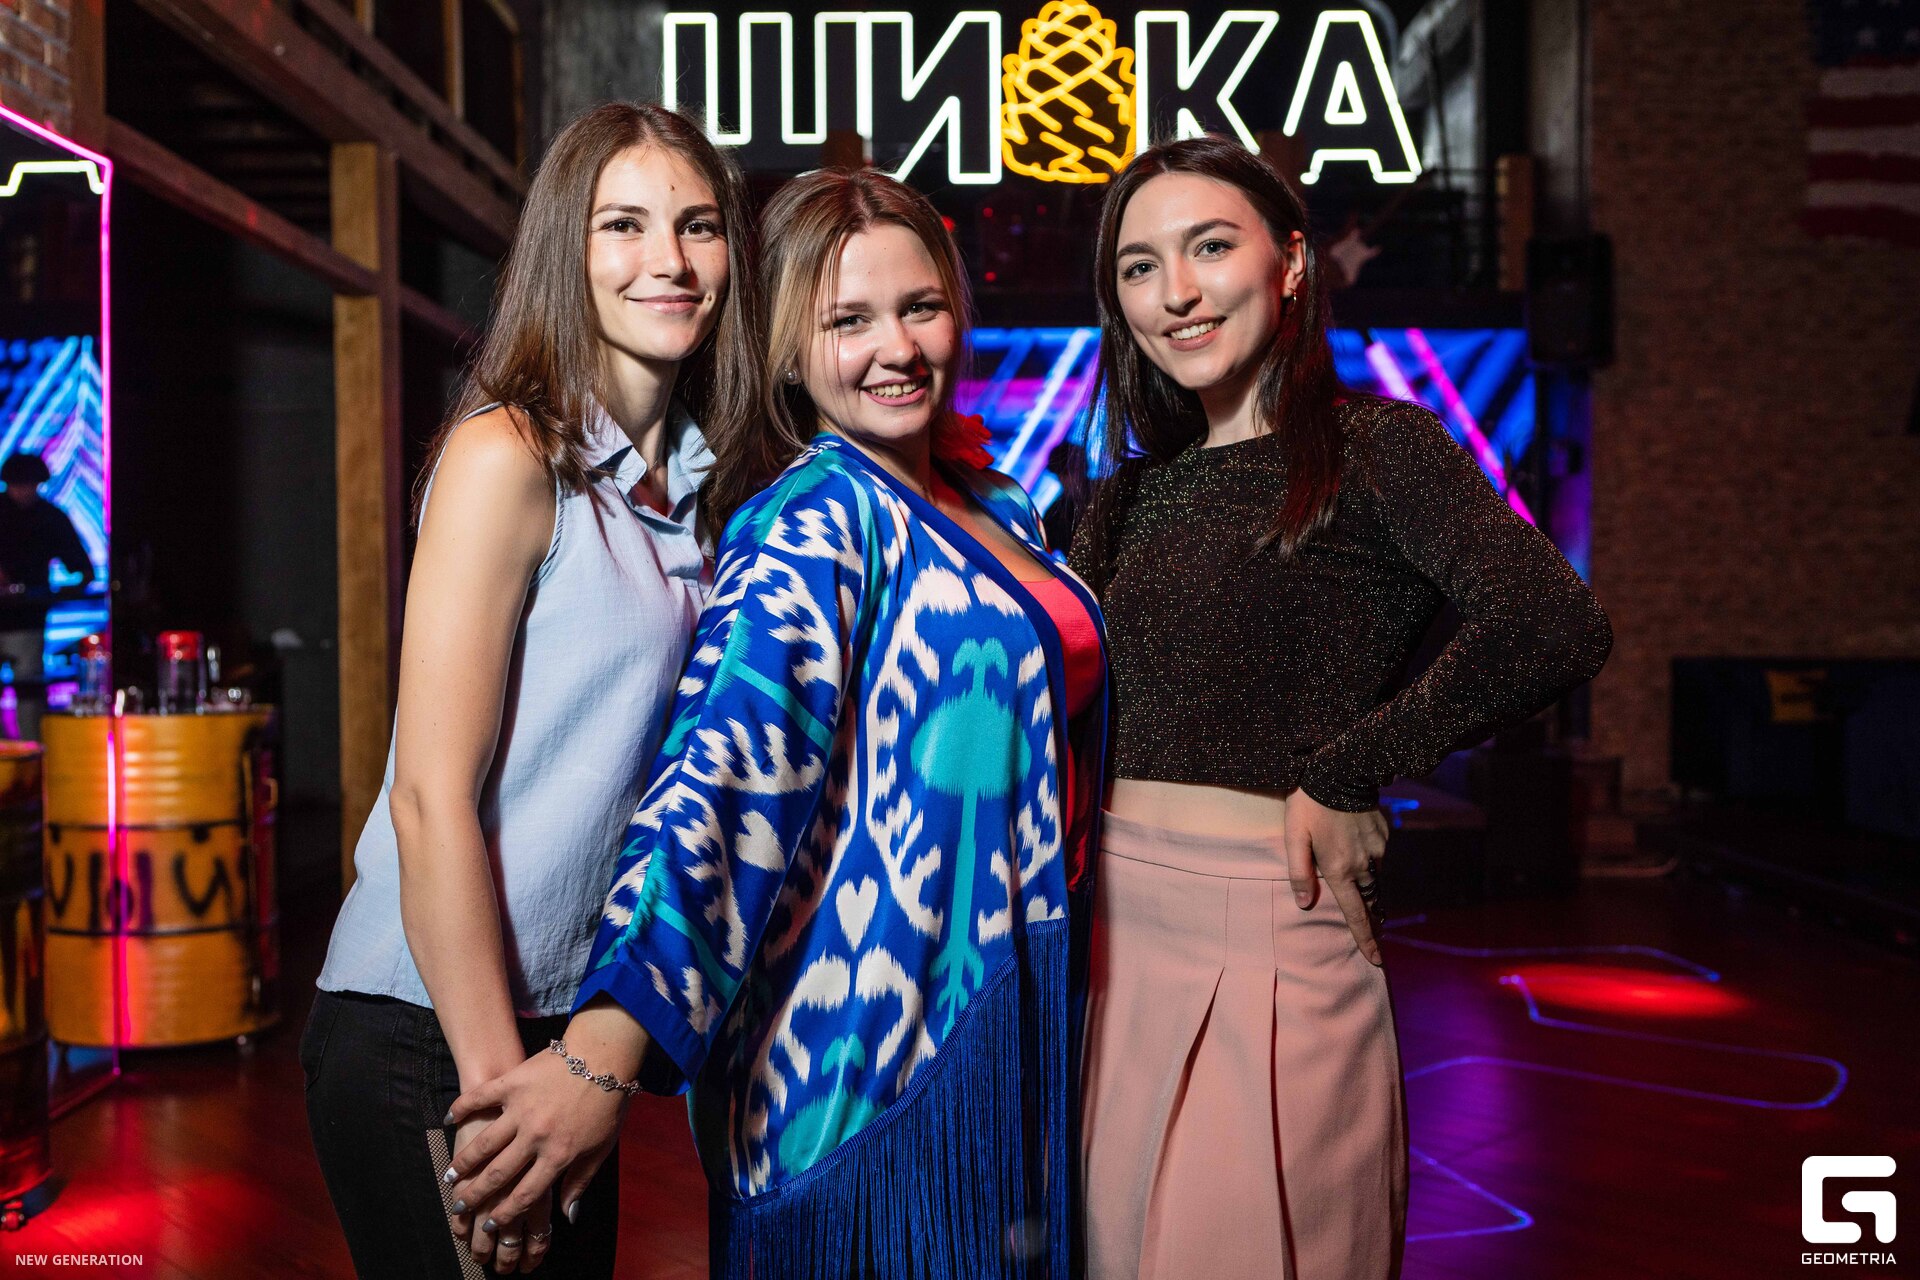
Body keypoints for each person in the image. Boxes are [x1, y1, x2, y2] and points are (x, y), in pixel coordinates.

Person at [439, 168, 1107, 1279]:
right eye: (848, 321)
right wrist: (602, 1054)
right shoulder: (811, 519)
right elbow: (722, 780)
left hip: (1006, 1005)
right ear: (791, 351)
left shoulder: (1000, 504)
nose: (896, 347)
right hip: (865, 1058)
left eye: (920, 307)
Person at [1068, 136, 1612, 1279]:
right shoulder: (1123, 496)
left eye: (1210, 247)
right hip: (1108, 934)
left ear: (1291, 261)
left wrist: (1348, 768)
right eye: (1139, 266)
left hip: (1271, 921)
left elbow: (1551, 621)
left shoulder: (1376, 449)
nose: (1176, 291)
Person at [302, 102, 761, 1279]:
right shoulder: (509, 453)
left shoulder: (700, 494)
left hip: (559, 1036)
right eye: (624, 224)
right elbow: (427, 799)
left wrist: (577, 1068)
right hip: (433, 1025)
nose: (668, 259)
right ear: (569, 246)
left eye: (698, 225)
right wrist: (497, 1083)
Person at [0, 451, 94, 740]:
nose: (23, 491)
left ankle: (31, 753)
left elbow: (82, 569)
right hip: (24, 615)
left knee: (29, 688)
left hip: (27, 618)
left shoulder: (49, 517)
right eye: (18, 484)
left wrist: (57, 593)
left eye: (29, 484)